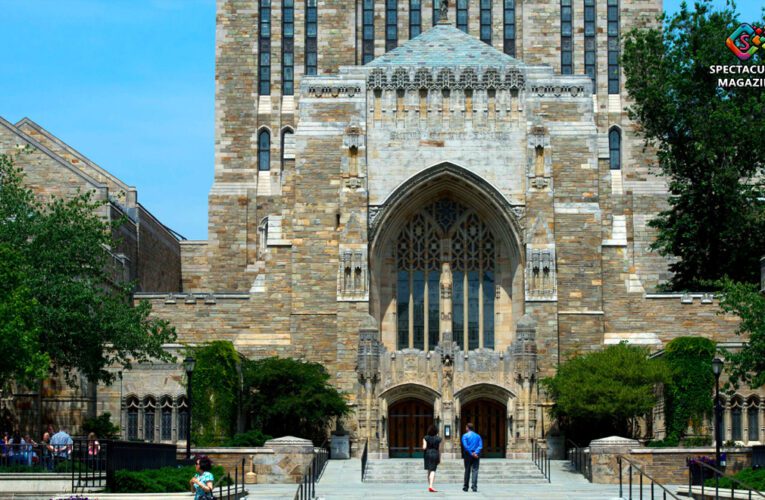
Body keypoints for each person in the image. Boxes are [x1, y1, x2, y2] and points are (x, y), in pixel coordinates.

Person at [461, 423, 482, 492]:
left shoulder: (465, 436)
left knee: (467, 470)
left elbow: (465, 446)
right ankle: (474, 486)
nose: (465, 429)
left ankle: (466, 486)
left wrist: (471, 453)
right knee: (475, 470)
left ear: (467, 428)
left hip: (468, 455)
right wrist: (475, 452)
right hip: (476, 455)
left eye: (466, 427)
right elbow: (480, 446)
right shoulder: (478, 436)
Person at [422, 424, 442, 492]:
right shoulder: (439, 439)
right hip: (435, 454)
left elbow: (424, 447)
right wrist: (439, 458)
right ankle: (431, 486)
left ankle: (430, 485)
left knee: (429, 470)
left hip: (427, 454)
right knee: (433, 470)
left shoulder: (425, 438)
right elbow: (439, 449)